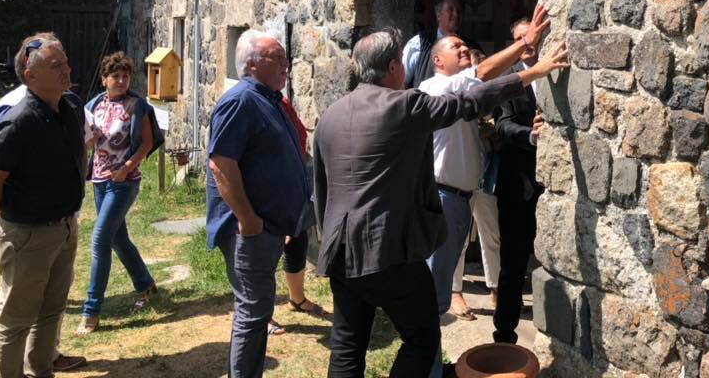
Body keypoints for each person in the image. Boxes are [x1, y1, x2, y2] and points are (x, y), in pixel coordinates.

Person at [314, 19, 568, 378]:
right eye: (402, 63)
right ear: (392, 67)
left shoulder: (331, 116)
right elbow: (468, 101)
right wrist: (531, 73)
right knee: (422, 341)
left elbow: (322, 190)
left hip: (341, 251)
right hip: (389, 251)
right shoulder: (402, 106)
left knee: (346, 348)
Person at [419, 3, 552, 378]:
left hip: (459, 198)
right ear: (437, 62)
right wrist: (526, 49)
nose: (463, 49)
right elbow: (483, 75)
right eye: (454, 47)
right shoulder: (440, 87)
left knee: (438, 292)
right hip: (445, 197)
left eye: (465, 45)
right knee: (432, 296)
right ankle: (427, 370)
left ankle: (430, 366)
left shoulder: (458, 93)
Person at [0, 36, 86, 378]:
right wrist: (13, 212)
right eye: (56, 66)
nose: (67, 70)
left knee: (52, 312)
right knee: (16, 322)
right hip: (27, 235)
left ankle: (42, 371)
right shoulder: (18, 122)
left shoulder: (70, 107)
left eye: (66, 62)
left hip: (65, 228)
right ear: (30, 73)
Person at [207, 30, 312, 378]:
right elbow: (221, 163)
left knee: (258, 308)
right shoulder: (241, 100)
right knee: (253, 313)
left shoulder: (268, 99)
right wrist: (248, 218)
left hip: (268, 226)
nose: (286, 63)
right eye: (276, 58)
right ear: (251, 64)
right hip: (250, 230)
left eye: (285, 57)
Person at [76, 51, 158, 334]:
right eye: (116, 76)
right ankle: (145, 283)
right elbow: (87, 143)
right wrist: (90, 140)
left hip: (124, 181)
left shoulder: (137, 106)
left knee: (99, 240)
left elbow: (147, 143)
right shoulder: (94, 106)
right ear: (104, 80)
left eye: (125, 76)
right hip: (99, 180)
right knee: (117, 238)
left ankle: (90, 311)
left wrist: (126, 167)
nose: (122, 81)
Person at [492, 18, 545, 345]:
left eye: (531, 37)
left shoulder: (557, 74)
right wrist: (532, 135)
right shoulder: (508, 82)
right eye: (519, 39)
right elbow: (502, 126)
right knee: (513, 262)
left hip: (553, 187)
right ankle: (504, 335)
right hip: (518, 183)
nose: (528, 45)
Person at [267, 95, 326, 336]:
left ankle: (297, 298)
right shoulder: (251, 103)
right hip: (271, 188)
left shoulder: (279, 100)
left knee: (298, 240)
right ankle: (263, 315)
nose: (284, 68)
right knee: (267, 251)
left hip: (294, 179)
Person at [448, 48, 500, 321]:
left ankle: (495, 287)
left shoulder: (491, 100)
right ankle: (455, 292)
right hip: (460, 177)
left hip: (485, 176)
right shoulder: (450, 95)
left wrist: (491, 131)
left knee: (491, 234)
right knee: (457, 238)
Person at [403, 0, 480, 88]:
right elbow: (401, 82)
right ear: (438, 15)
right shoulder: (420, 43)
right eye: (450, 10)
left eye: (459, 11)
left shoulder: (472, 48)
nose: (456, 14)